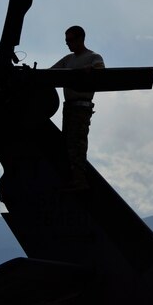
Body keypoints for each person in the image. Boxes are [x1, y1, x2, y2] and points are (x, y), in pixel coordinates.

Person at [51, 25, 104, 189]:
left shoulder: (93, 57)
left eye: (70, 40)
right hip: (68, 108)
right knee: (67, 144)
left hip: (82, 108)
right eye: (66, 40)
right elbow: (51, 73)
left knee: (77, 144)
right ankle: (72, 178)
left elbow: (100, 69)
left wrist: (89, 69)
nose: (68, 44)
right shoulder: (68, 59)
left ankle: (79, 180)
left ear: (80, 39)